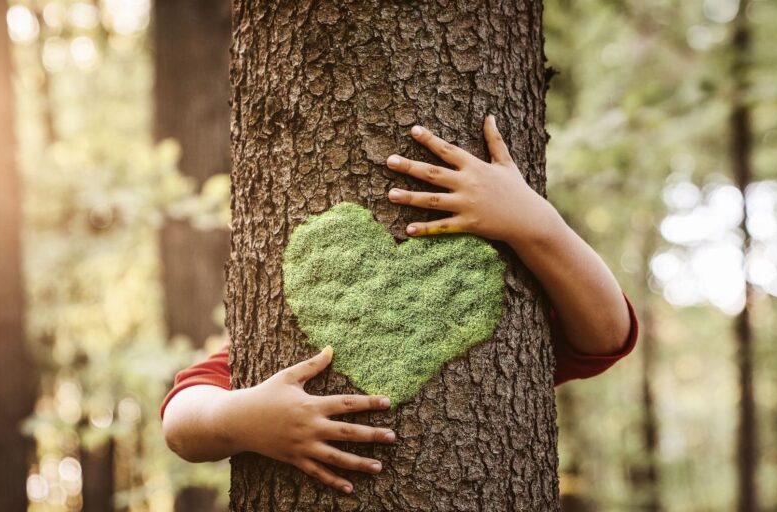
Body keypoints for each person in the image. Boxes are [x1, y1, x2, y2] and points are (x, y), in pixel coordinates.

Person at [160, 116, 639, 495]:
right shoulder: (285, 332)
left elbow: (607, 334)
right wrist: (241, 419)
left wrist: (535, 223)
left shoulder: (515, 311)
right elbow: (182, 420)